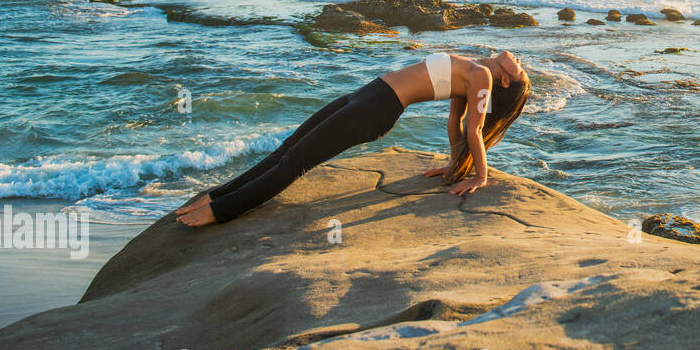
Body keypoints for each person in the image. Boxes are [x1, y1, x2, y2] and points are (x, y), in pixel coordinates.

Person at [175, 50, 530, 227]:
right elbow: (455, 122)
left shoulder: (482, 75)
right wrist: (454, 165)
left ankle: (220, 212)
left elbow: (472, 129)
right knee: (287, 148)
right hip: (368, 94)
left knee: (296, 161)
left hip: (375, 110)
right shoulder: (474, 70)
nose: (520, 60)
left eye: (522, 71)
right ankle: (219, 195)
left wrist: (480, 175)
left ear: (504, 82)